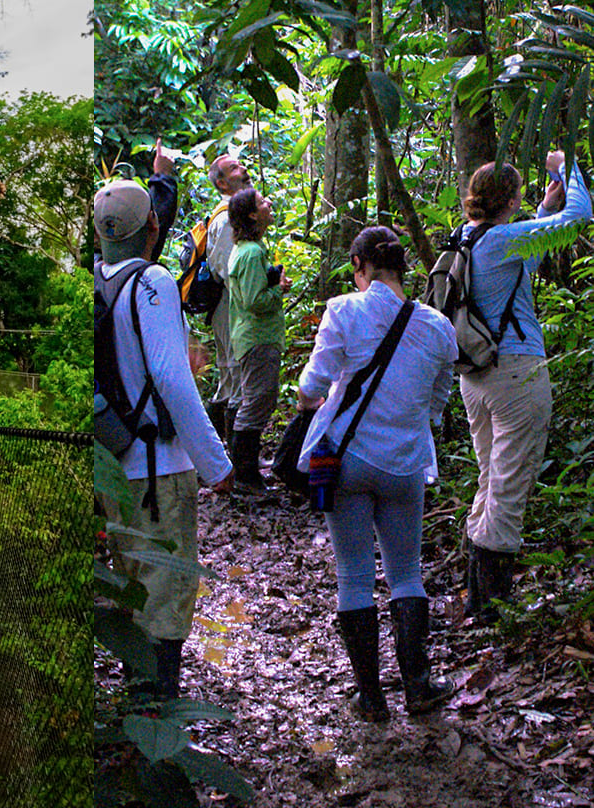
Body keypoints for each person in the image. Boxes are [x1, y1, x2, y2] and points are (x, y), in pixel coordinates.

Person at [296, 227, 458, 719]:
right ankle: (418, 686)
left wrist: (314, 403)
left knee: (354, 577)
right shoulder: (437, 327)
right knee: (407, 573)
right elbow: (438, 401)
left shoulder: (345, 309)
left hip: (347, 462)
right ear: (402, 269)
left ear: (358, 266)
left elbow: (312, 384)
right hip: (406, 463)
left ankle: (370, 697)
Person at [91, 179, 232, 699]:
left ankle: (137, 710)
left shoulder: (99, 284)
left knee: (133, 588)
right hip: (159, 469)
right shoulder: (152, 282)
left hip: (115, 464)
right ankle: (156, 727)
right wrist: (217, 464)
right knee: (165, 596)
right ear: (152, 227)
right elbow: (173, 378)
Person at [460, 149, 590, 623]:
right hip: (515, 373)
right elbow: (580, 216)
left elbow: (517, 274)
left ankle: (476, 597)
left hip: (476, 378)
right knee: (510, 485)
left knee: (491, 480)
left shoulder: (470, 239)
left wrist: (539, 215)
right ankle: (493, 609)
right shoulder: (498, 240)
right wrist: (567, 166)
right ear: (509, 198)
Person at [225, 186, 290, 491]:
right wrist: (278, 290)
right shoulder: (251, 253)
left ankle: (242, 470)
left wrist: (274, 279)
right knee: (258, 400)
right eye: (262, 202)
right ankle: (245, 476)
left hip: (253, 337)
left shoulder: (250, 250)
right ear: (252, 214)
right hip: (257, 337)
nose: (269, 203)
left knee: (253, 399)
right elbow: (255, 301)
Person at [203, 154, 251, 441]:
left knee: (229, 377)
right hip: (229, 306)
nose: (243, 169)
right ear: (222, 183)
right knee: (235, 374)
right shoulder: (226, 220)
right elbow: (227, 270)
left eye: (240, 164)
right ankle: (236, 459)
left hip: (230, 305)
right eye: (234, 168)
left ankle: (219, 450)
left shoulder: (235, 215)